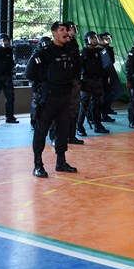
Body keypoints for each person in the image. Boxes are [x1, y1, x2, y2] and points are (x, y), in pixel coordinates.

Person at [26, 22, 80, 178]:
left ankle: (61, 162)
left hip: (65, 96)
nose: (65, 33)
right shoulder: (44, 53)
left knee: (63, 131)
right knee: (41, 131)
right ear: (54, 33)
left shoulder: (70, 50)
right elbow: (30, 73)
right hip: (48, 98)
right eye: (61, 30)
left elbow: (76, 69)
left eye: (66, 30)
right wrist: (44, 83)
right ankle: (38, 165)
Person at [77, 31, 109, 135]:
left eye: (95, 38)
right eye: (92, 38)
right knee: (84, 105)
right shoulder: (83, 52)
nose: (95, 40)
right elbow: (79, 69)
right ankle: (79, 126)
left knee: (96, 104)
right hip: (87, 82)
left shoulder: (98, 52)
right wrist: (79, 82)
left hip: (97, 81)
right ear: (87, 40)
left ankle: (98, 125)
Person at [98, 32, 117, 122]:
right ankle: (98, 115)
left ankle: (105, 113)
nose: (107, 40)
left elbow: (111, 61)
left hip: (107, 75)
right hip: (98, 77)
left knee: (107, 95)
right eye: (105, 38)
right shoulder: (97, 50)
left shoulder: (109, 49)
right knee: (99, 97)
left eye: (108, 38)